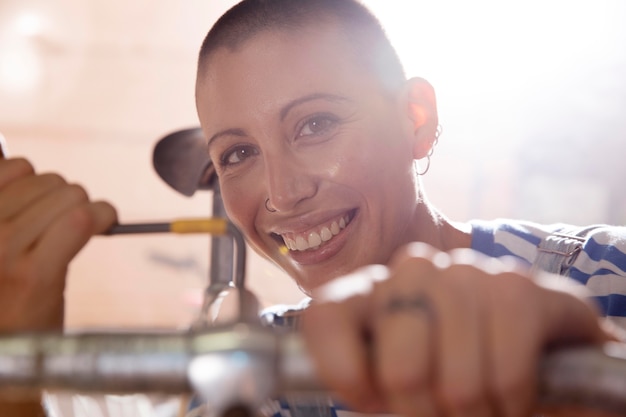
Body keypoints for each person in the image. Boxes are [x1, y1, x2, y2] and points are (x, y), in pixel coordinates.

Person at [1, 0, 625, 416]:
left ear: (416, 119)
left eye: (315, 124)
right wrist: (15, 373)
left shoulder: (610, 276)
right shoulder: (247, 386)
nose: (281, 194)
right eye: (239, 152)